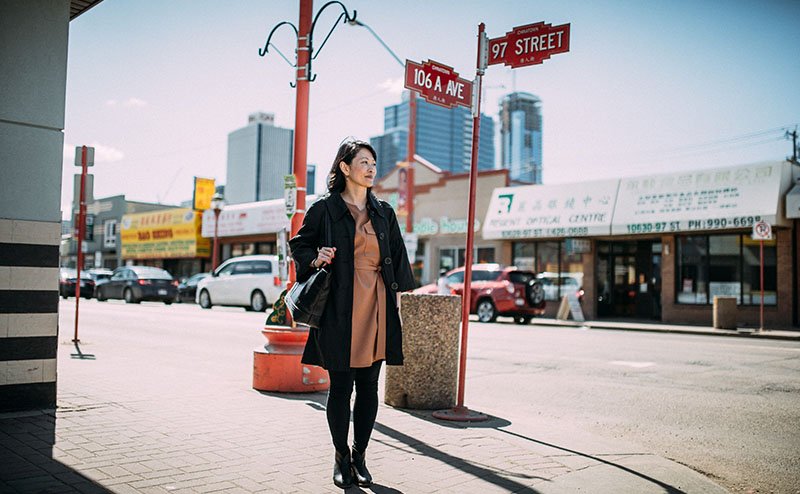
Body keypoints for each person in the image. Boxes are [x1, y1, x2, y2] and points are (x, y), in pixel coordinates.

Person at [289, 138, 416, 489]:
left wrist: (399, 294)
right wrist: (316, 257)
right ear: (345, 168)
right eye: (364, 162)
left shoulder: (384, 212)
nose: (371, 168)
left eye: (373, 162)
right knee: (341, 387)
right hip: (339, 305)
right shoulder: (324, 209)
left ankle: (360, 455)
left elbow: (397, 258)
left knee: (369, 387)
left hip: (375, 303)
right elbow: (299, 244)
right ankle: (340, 456)